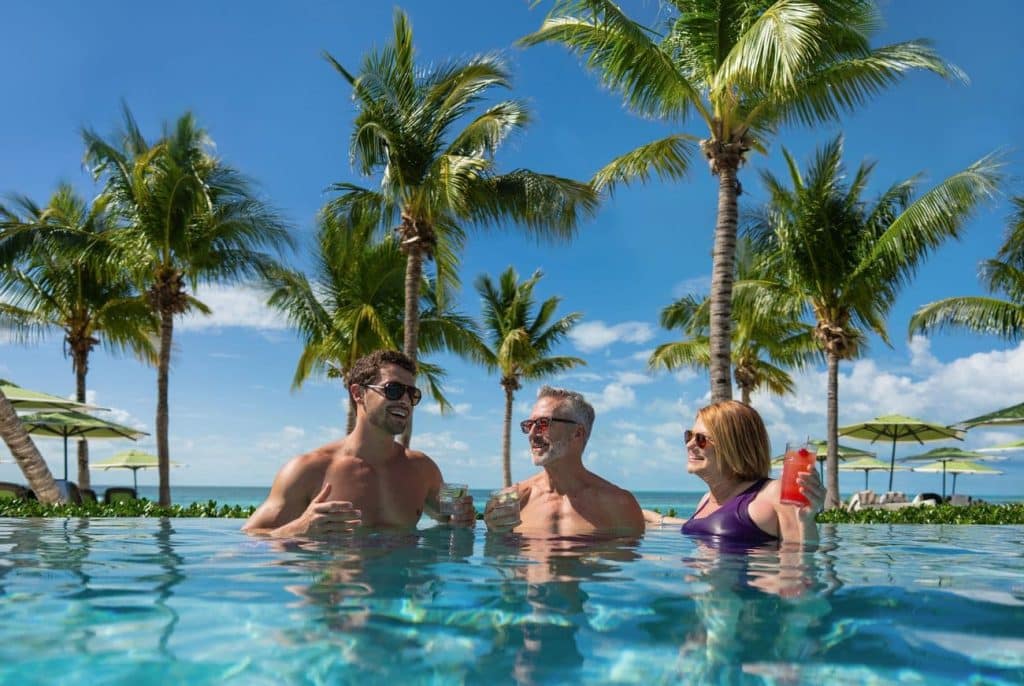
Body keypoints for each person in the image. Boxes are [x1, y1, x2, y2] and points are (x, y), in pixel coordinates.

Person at [243, 350, 475, 536]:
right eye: (393, 390)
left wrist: (467, 514)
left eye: (411, 394)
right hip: (341, 591)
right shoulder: (306, 469)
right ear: (358, 393)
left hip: (404, 592)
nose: (405, 400)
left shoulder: (424, 468)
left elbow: (458, 515)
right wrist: (298, 527)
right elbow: (249, 540)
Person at [650, 400, 824, 544]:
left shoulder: (772, 494)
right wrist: (650, 516)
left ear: (733, 446)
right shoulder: (705, 500)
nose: (689, 445)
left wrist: (806, 523)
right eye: (689, 436)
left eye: (701, 439)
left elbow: (800, 568)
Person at [483, 386, 645, 537]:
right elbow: (498, 560)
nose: (532, 434)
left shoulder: (619, 506)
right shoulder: (514, 502)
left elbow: (629, 565)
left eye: (543, 423)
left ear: (577, 433)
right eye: (529, 425)